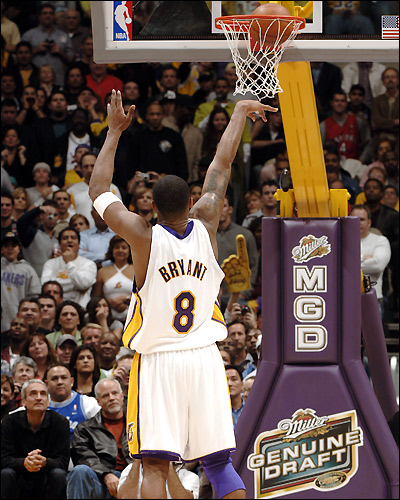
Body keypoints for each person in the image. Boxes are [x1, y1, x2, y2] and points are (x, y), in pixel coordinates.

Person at [87, 89, 272, 498]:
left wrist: (114, 132)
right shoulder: (208, 221)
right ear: (192, 201)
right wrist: (240, 110)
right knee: (219, 466)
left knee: (155, 465)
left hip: (160, 359)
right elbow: (221, 164)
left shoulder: (143, 237)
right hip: (205, 357)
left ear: (151, 207)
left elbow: (98, 190)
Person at [1, 379, 70, 500]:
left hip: (47, 479)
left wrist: (44, 462)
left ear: (48, 401)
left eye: (43, 394)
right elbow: (4, 459)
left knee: (59, 474)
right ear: (23, 401)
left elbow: (63, 461)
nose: (38, 398)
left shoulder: (60, 422)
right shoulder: (9, 422)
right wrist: (24, 462)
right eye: (33, 394)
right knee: (6, 474)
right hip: (19, 479)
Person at [66, 378, 131, 499]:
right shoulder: (85, 429)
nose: (111, 398)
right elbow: (84, 457)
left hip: (132, 478)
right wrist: (106, 474)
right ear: (98, 402)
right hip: (101, 481)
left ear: (122, 396)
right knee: (80, 471)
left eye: (115, 393)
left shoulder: (137, 425)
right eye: (105, 396)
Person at [41, 227, 97, 308]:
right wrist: (75, 284)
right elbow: (46, 287)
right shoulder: (50, 264)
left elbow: (83, 284)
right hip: (55, 309)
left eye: (73, 238)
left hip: (80, 309)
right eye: (65, 238)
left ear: (79, 244)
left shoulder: (89, 264)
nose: (69, 240)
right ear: (60, 244)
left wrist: (69, 263)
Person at [21, 3, 73, 86]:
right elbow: (20, 59)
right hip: (35, 80)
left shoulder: (63, 35)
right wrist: (36, 50)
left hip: (58, 79)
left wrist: (60, 52)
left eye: (51, 13)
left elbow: (71, 60)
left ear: (54, 16)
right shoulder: (29, 35)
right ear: (39, 16)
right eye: (45, 13)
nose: (48, 16)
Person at [45, 364, 100, 441]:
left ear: (72, 381)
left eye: (64, 378)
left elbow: (101, 434)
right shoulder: (40, 404)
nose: (59, 382)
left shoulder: (88, 403)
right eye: (55, 379)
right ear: (46, 384)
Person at [350, 205, 391, 307]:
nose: (358, 222)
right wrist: (363, 258)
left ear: (369, 222)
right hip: (348, 298)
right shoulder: (342, 241)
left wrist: (350, 262)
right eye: (354, 219)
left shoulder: (380, 241)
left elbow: (378, 265)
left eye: (362, 219)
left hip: (373, 298)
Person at [1, 231, 41, 332]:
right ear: (2, 249)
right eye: (6, 246)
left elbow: (34, 295)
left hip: (20, 318)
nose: (10, 248)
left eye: (13, 245)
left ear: (19, 248)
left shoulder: (27, 269)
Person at [92, 235, 134, 322]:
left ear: (129, 250)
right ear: (112, 250)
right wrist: (108, 303)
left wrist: (126, 300)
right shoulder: (102, 271)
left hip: (132, 315)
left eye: (124, 248)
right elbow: (96, 297)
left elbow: (143, 294)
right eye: (117, 247)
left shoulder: (136, 270)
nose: (120, 250)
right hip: (107, 318)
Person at [16, 199, 60, 278]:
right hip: (31, 280)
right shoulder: (31, 234)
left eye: (55, 215)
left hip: (50, 281)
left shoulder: (58, 240)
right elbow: (20, 223)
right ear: (41, 215)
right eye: (49, 214)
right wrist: (38, 209)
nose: (52, 218)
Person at [371, 67, 399, 152]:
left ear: (398, 80)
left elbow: (381, 123)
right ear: (383, 82)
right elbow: (376, 121)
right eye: (387, 77)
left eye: (393, 77)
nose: (390, 80)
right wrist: (395, 122)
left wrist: (384, 124)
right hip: (380, 139)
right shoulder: (377, 100)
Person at [225, 364, 245, 429]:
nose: (229, 383)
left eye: (234, 379)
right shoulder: (216, 410)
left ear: (242, 384)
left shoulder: (250, 408)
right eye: (225, 380)